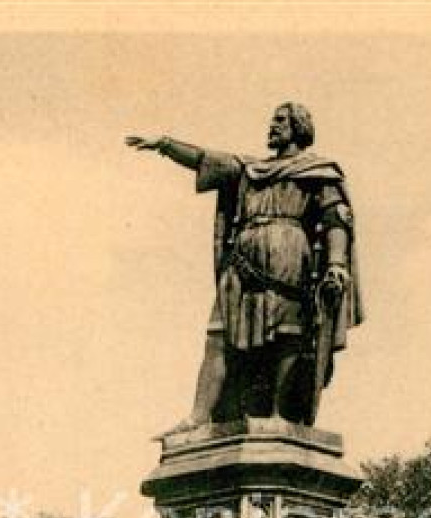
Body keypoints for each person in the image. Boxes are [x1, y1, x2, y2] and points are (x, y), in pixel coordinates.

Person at [127, 103, 361, 427]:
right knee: (218, 333)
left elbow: (336, 218)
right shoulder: (249, 170)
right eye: (273, 120)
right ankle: (198, 415)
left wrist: (336, 263)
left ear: (299, 127)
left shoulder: (319, 171)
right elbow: (204, 159)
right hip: (241, 262)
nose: (272, 126)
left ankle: (281, 415)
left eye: (280, 121)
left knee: (286, 335)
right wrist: (165, 145)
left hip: (290, 257)